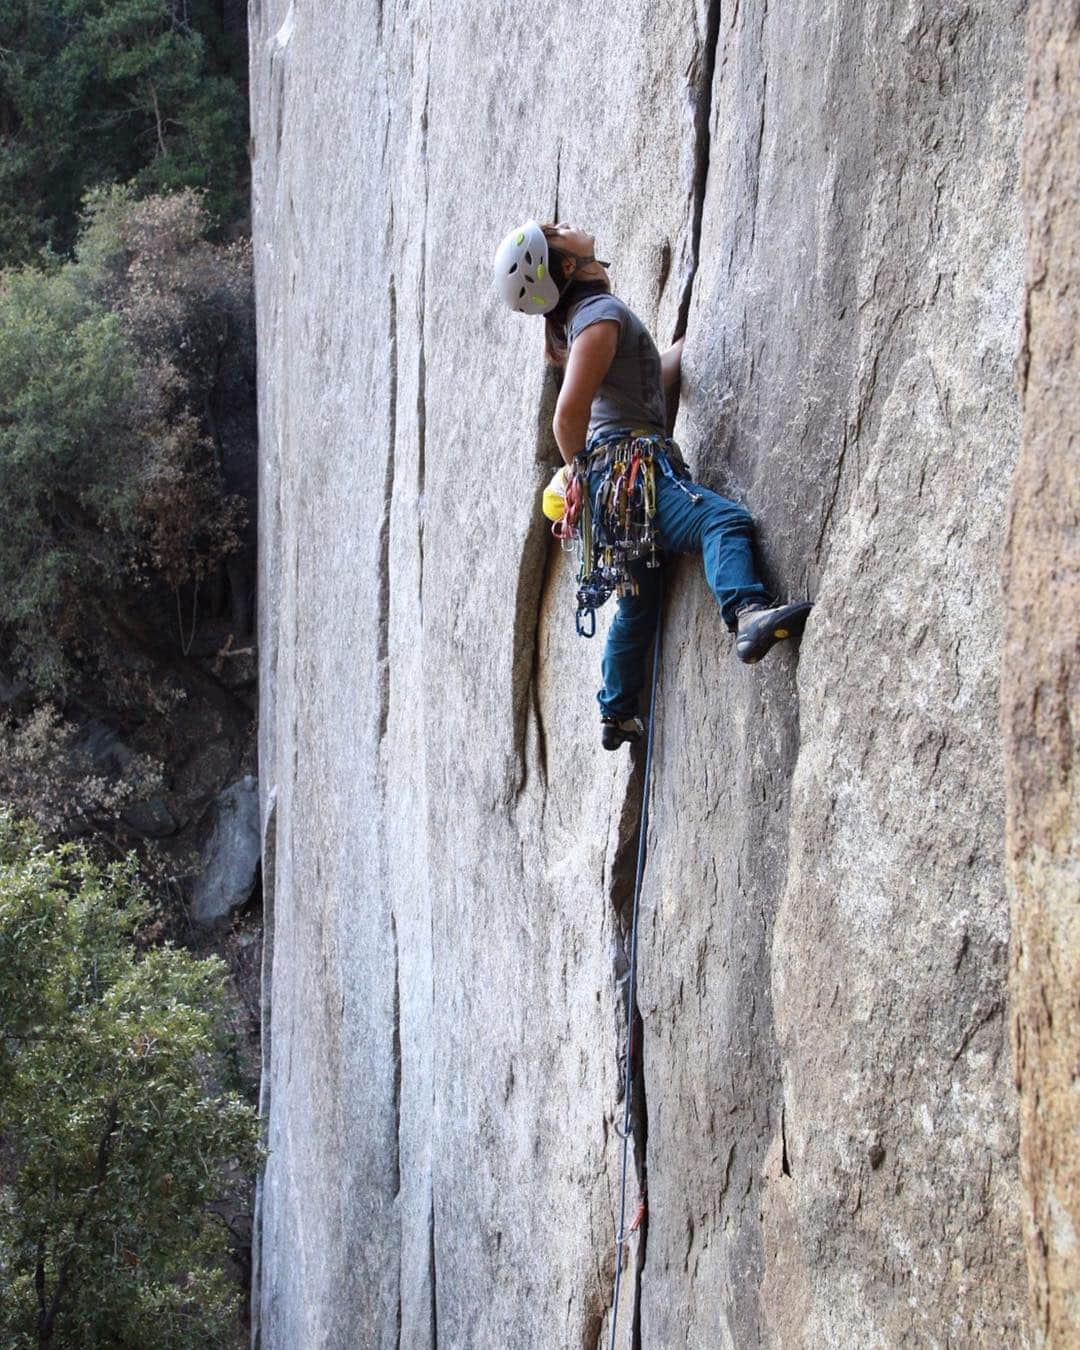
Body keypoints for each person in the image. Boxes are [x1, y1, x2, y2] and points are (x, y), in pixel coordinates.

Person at [493, 219, 812, 751]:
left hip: (617, 493)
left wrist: (693, 340)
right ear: (565, 265)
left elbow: (644, 380)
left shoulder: (588, 321)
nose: (564, 225)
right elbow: (566, 419)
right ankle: (748, 613)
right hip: (633, 474)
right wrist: (586, 475)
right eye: (554, 232)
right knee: (720, 521)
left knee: (637, 602)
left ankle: (616, 712)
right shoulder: (597, 316)